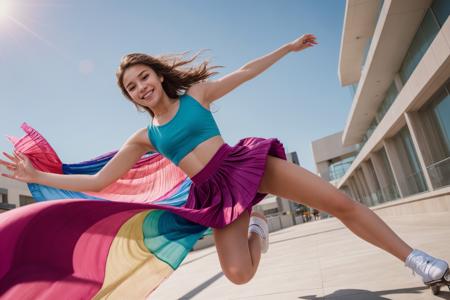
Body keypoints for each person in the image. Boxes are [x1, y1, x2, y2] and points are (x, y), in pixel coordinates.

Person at [1, 34, 449, 294]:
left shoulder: (196, 96)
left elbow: (246, 71)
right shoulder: (145, 137)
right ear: (130, 97)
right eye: (132, 86)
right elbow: (99, 181)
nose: (141, 86)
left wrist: (286, 49)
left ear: (157, 75)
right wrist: (36, 175)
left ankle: (417, 259)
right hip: (215, 196)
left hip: (242, 167)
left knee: (340, 203)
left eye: (144, 77)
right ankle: (258, 230)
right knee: (237, 274)